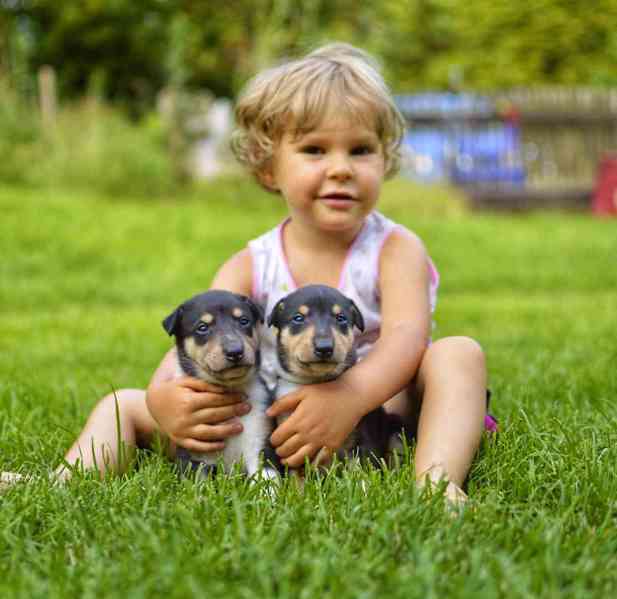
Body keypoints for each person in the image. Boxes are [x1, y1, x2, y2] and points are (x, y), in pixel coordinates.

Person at [4, 43, 493, 504]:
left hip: (379, 415)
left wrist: (349, 397)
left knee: (457, 354)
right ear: (267, 167)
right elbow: (190, 344)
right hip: (271, 413)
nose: (341, 168)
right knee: (123, 403)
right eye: (315, 150)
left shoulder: (394, 247)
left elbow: (406, 340)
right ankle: (59, 483)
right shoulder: (251, 262)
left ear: (385, 159)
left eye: (361, 150)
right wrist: (164, 401)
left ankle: (437, 483)